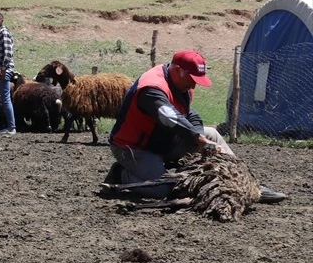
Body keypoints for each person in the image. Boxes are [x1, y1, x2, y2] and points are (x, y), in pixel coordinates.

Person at [107, 50, 282, 202]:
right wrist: (197, 138)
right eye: (192, 78)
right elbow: (170, 118)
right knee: (162, 190)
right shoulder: (152, 88)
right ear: (177, 70)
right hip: (134, 148)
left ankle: (248, 184)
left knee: (211, 134)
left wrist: (201, 137)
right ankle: (122, 174)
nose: (194, 84)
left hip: (163, 141)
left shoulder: (182, 85)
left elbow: (190, 113)